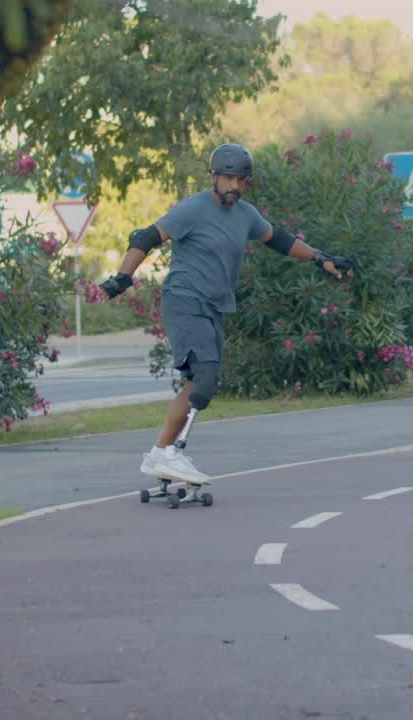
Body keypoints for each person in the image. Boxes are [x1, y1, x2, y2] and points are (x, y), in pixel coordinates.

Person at [97, 143, 355, 483]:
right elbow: (146, 237)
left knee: (203, 381)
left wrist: (321, 257)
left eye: (241, 180)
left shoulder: (246, 214)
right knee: (204, 377)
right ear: (214, 176)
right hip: (185, 299)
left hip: (213, 306)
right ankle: (170, 453)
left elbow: (279, 239)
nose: (234, 186)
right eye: (228, 178)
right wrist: (123, 278)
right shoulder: (193, 208)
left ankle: (160, 453)